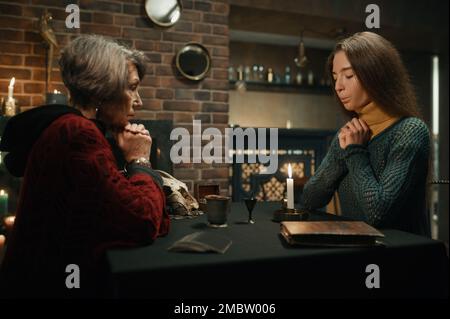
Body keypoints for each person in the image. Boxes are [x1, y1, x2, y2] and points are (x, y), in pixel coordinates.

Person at [0, 35, 170, 297]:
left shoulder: (72, 128)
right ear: (103, 91)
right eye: (132, 88)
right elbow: (141, 222)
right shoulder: (79, 134)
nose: (139, 100)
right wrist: (140, 161)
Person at [303, 32, 430, 236]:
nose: (338, 86)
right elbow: (310, 199)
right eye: (335, 77)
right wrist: (343, 150)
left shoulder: (410, 131)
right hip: (356, 252)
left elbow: (377, 214)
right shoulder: (350, 133)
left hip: (402, 255)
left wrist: (354, 151)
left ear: (376, 75)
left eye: (349, 76)